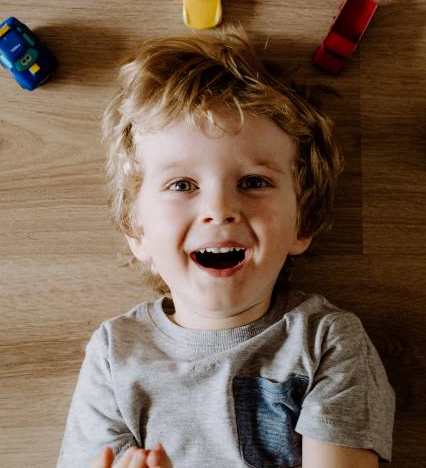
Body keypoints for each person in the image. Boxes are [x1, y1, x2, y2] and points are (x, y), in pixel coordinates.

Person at [57, 26, 395, 468]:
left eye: (254, 182)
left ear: (303, 223)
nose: (219, 208)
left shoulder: (326, 342)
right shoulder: (115, 352)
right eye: (182, 184)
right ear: (136, 230)